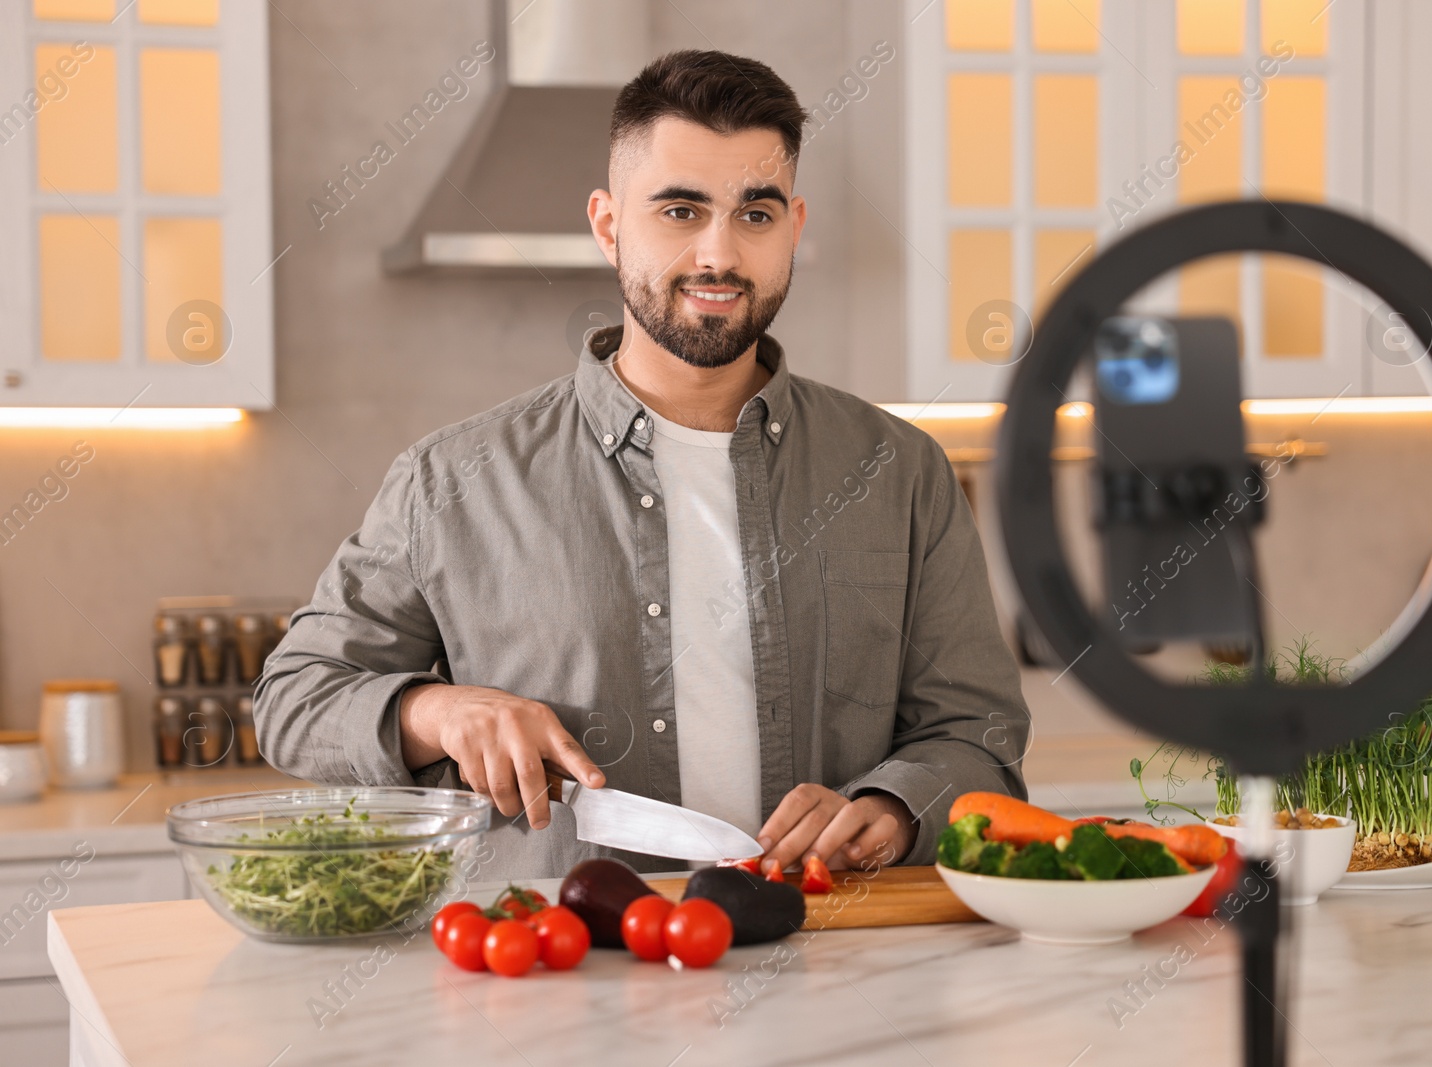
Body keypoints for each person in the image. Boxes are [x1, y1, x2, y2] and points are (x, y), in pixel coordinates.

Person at [255, 49, 1030, 879]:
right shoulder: (450, 481)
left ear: (795, 226)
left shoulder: (900, 470)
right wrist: (436, 709)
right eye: (680, 211)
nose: (718, 256)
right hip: (557, 974)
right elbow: (294, 698)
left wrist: (891, 808)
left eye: (755, 215)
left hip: (834, 958)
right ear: (607, 223)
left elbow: (978, 732)